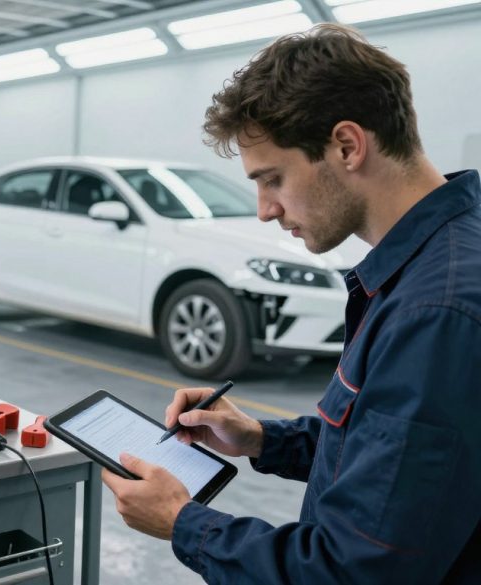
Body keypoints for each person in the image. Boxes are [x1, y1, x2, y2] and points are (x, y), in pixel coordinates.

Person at [102, 23, 481, 583]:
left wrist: (183, 522)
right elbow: (392, 461)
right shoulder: (438, 260)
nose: (264, 209)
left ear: (346, 146)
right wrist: (261, 439)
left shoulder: (435, 312)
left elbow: (354, 571)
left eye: (272, 178)